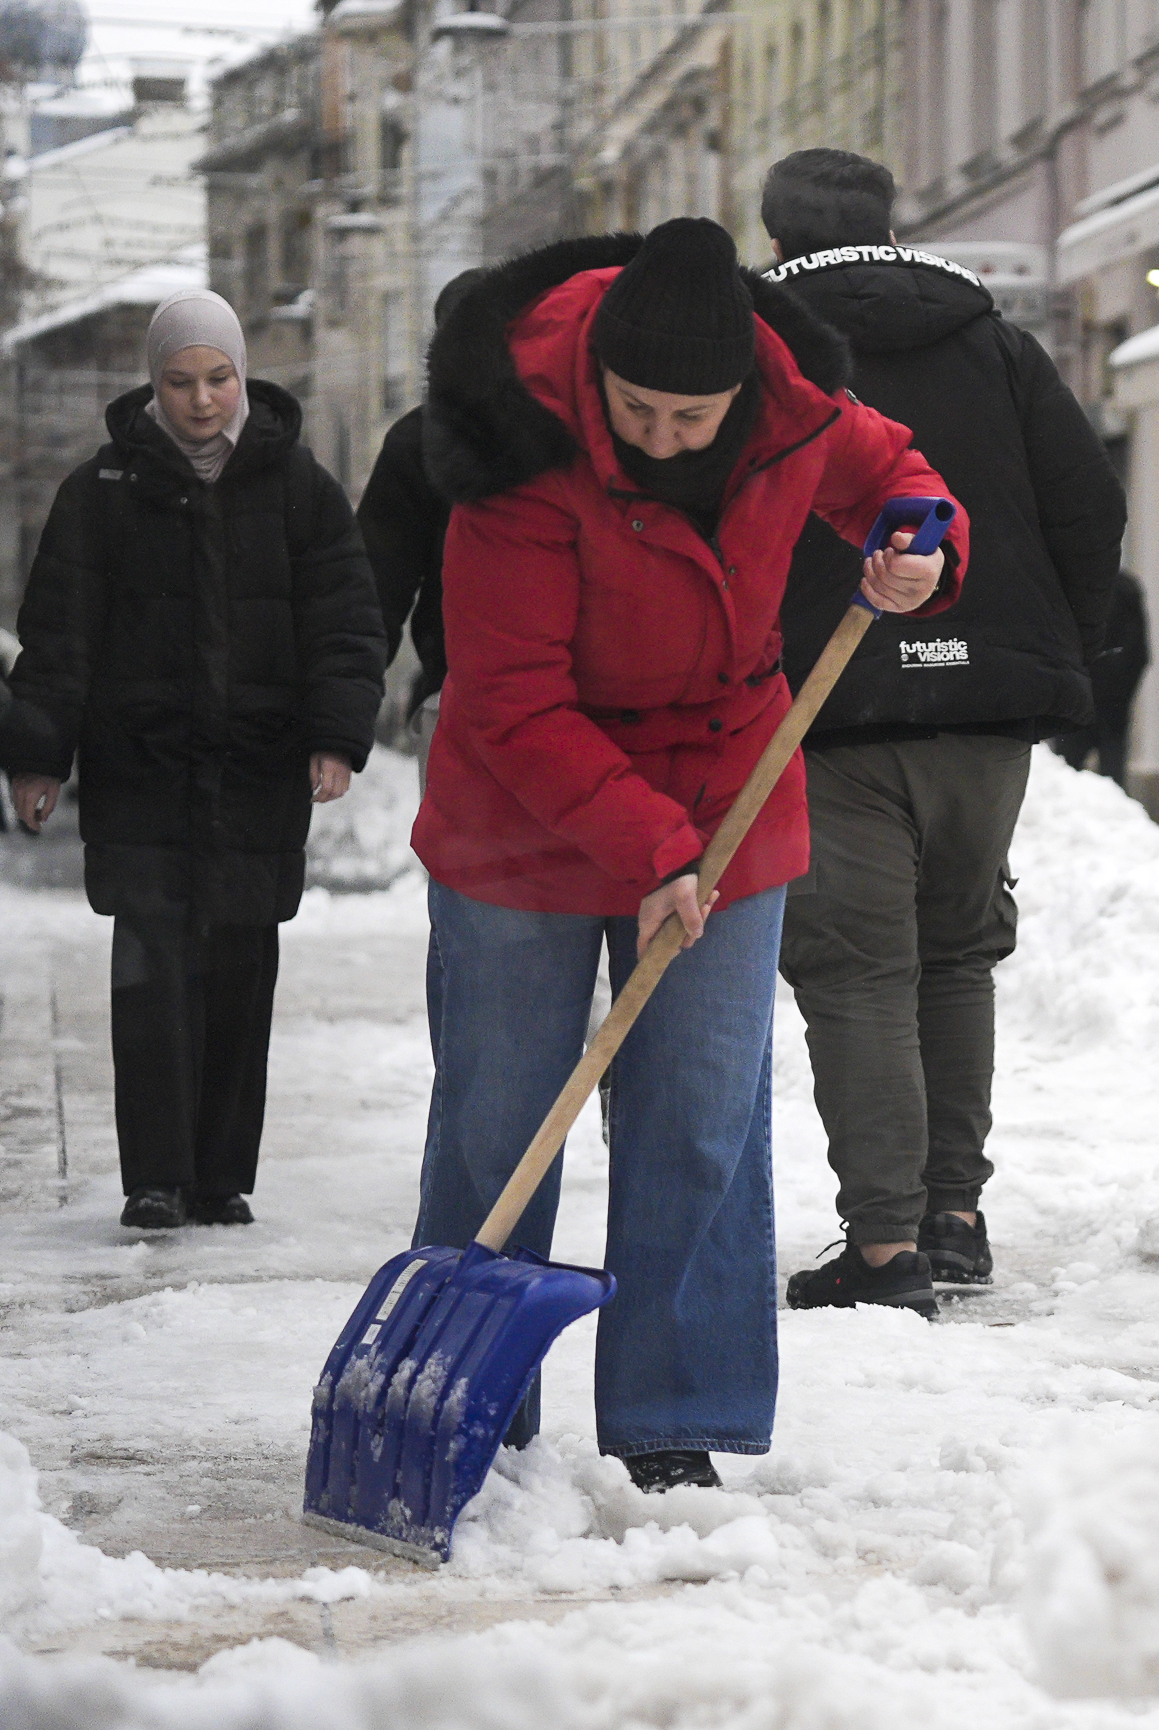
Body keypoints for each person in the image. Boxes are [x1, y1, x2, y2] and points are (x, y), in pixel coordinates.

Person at [410, 219, 961, 1495]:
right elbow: (510, 702)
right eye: (639, 409)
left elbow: (906, 477)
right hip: (523, 817)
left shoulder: (793, 407)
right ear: (596, 368)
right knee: (504, 1118)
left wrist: (919, 542)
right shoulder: (518, 440)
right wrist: (651, 846)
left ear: (744, 390)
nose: (663, 437)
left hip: (732, 784)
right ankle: (470, 1410)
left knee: (701, 1116)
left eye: (691, 416)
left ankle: (677, 1412)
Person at [759, 147, 1127, 1310]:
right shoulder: (997, 341)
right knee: (958, 952)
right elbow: (1089, 500)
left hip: (831, 704)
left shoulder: (766, 347)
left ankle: (884, 1244)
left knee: (859, 968)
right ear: (889, 220)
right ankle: (955, 1216)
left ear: (777, 238)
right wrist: (1052, 643)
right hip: (984, 705)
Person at [0, 291, 385, 1231]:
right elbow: (57, 635)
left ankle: (220, 1178)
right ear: (153, 383)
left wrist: (334, 736)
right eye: (180, 381)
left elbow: (345, 624)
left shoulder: (301, 490)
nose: (201, 400)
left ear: (241, 376)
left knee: (243, 972)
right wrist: (40, 758)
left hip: (256, 771)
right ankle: (156, 1178)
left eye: (218, 378)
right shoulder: (101, 492)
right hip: (143, 770)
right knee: (152, 978)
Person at [357, 268, 484, 719]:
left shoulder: (571, 434)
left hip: (571, 701)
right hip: (456, 696)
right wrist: (340, 707)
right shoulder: (418, 443)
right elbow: (373, 595)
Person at [1053, 570, 1150, 787]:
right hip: (1109, 702)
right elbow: (1139, 654)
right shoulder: (1125, 588)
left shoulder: (1064, 583)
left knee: (1063, 779)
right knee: (1112, 775)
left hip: (1074, 699)